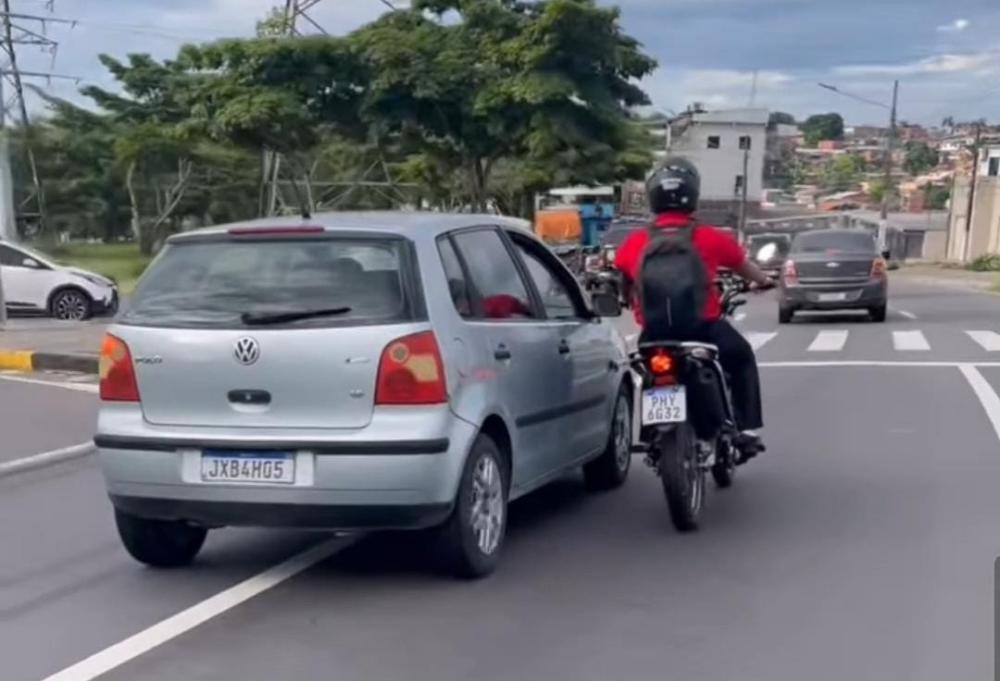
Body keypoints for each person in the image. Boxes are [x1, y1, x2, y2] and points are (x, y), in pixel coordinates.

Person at [614, 157, 774, 457]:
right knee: (740, 357)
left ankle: (651, 435)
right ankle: (745, 427)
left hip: (654, 333)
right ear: (693, 195)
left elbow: (624, 284)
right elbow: (747, 270)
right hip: (704, 330)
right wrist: (764, 281)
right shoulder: (710, 237)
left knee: (648, 372)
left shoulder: (633, 243)